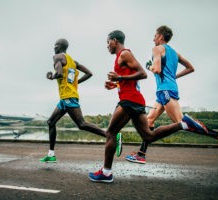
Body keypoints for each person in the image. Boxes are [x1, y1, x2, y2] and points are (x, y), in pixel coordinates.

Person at [89, 30, 208, 183]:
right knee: (148, 136)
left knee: (111, 133)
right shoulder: (121, 57)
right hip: (135, 100)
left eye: (108, 43)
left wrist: (119, 77)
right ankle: (182, 124)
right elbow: (130, 81)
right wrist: (115, 84)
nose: (107, 46)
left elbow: (143, 74)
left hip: (129, 101)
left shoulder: (125, 54)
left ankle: (106, 173)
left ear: (114, 41)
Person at [125, 25, 218, 164]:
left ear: (160, 36)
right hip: (165, 90)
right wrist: (173, 77)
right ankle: (141, 154)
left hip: (165, 90)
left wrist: (149, 67)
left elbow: (157, 70)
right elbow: (190, 68)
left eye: (155, 35)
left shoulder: (157, 49)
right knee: (149, 120)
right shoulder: (175, 53)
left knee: (182, 123)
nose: (153, 38)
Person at [39, 38, 122, 163]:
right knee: (51, 122)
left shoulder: (57, 57)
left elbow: (59, 73)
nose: (53, 48)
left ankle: (112, 136)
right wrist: (75, 82)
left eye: (55, 45)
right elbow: (89, 73)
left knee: (81, 124)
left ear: (59, 46)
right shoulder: (73, 61)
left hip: (68, 97)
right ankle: (51, 155)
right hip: (65, 98)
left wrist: (51, 76)